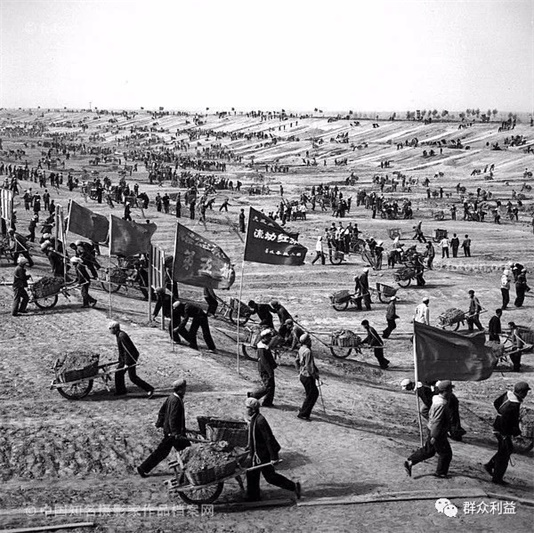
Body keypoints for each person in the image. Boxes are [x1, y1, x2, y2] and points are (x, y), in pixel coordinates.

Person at [244, 398, 301, 502]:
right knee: (252, 473)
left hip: (263, 455)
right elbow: (253, 437)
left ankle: (294, 487)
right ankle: (253, 496)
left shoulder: (260, 421)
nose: (246, 409)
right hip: (256, 454)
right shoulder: (254, 419)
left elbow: (269, 439)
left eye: (247, 407)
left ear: (253, 409)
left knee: (270, 477)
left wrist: (274, 457)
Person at [137, 379, 191, 477]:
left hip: (170, 432)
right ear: (180, 389)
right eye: (184, 388)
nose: (185, 390)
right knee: (188, 451)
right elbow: (173, 418)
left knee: (162, 452)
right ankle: (190, 472)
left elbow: (162, 411)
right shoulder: (176, 401)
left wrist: (160, 423)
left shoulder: (171, 397)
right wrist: (175, 433)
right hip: (174, 434)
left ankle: (143, 468)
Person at [404, 380, 454, 479]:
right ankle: (441, 473)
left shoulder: (436, 399)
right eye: (450, 390)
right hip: (437, 432)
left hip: (432, 428)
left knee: (429, 451)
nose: (451, 392)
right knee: (446, 453)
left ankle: (410, 461)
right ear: (445, 391)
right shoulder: (441, 404)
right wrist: (434, 436)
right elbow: (437, 421)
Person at [484, 382, 531, 485]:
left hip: (499, 426)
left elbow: (496, 403)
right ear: (521, 392)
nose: (526, 394)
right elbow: (508, 422)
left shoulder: (508, 395)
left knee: (505, 450)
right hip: (502, 430)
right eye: (525, 392)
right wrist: (513, 433)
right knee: (504, 454)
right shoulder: (513, 405)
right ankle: (497, 478)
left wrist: (500, 413)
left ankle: (490, 465)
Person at [108, 321, 154, 397]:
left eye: (110, 328)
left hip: (130, 357)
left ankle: (149, 389)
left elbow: (128, 350)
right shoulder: (119, 334)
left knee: (132, 377)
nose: (109, 330)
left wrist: (127, 363)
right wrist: (120, 360)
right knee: (119, 373)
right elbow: (122, 350)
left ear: (115, 328)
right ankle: (121, 390)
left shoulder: (121, 336)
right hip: (125, 358)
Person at [248, 329, 277, 407]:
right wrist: (270, 372)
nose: (270, 339)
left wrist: (274, 364)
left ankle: (267, 402)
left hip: (268, 369)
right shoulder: (262, 348)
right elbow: (265, 362)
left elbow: (269, 358)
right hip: (265, 370)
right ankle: (253, 395)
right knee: (268, 387)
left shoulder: (264, 346)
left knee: (271, 386)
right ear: (263, 338)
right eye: (268, 337)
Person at [296, 333, 319, 421]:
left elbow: (297, 360)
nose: (311, 341)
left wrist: (299, 370)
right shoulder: (308, 351)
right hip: (308, 376)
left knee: (310, 394)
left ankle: (303, 411)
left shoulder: (301, 349)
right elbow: (309, 366)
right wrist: (315, 375)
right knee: (313, 394)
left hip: (302, 375)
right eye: (309, 340)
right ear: (307, 341)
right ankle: (303, 414)